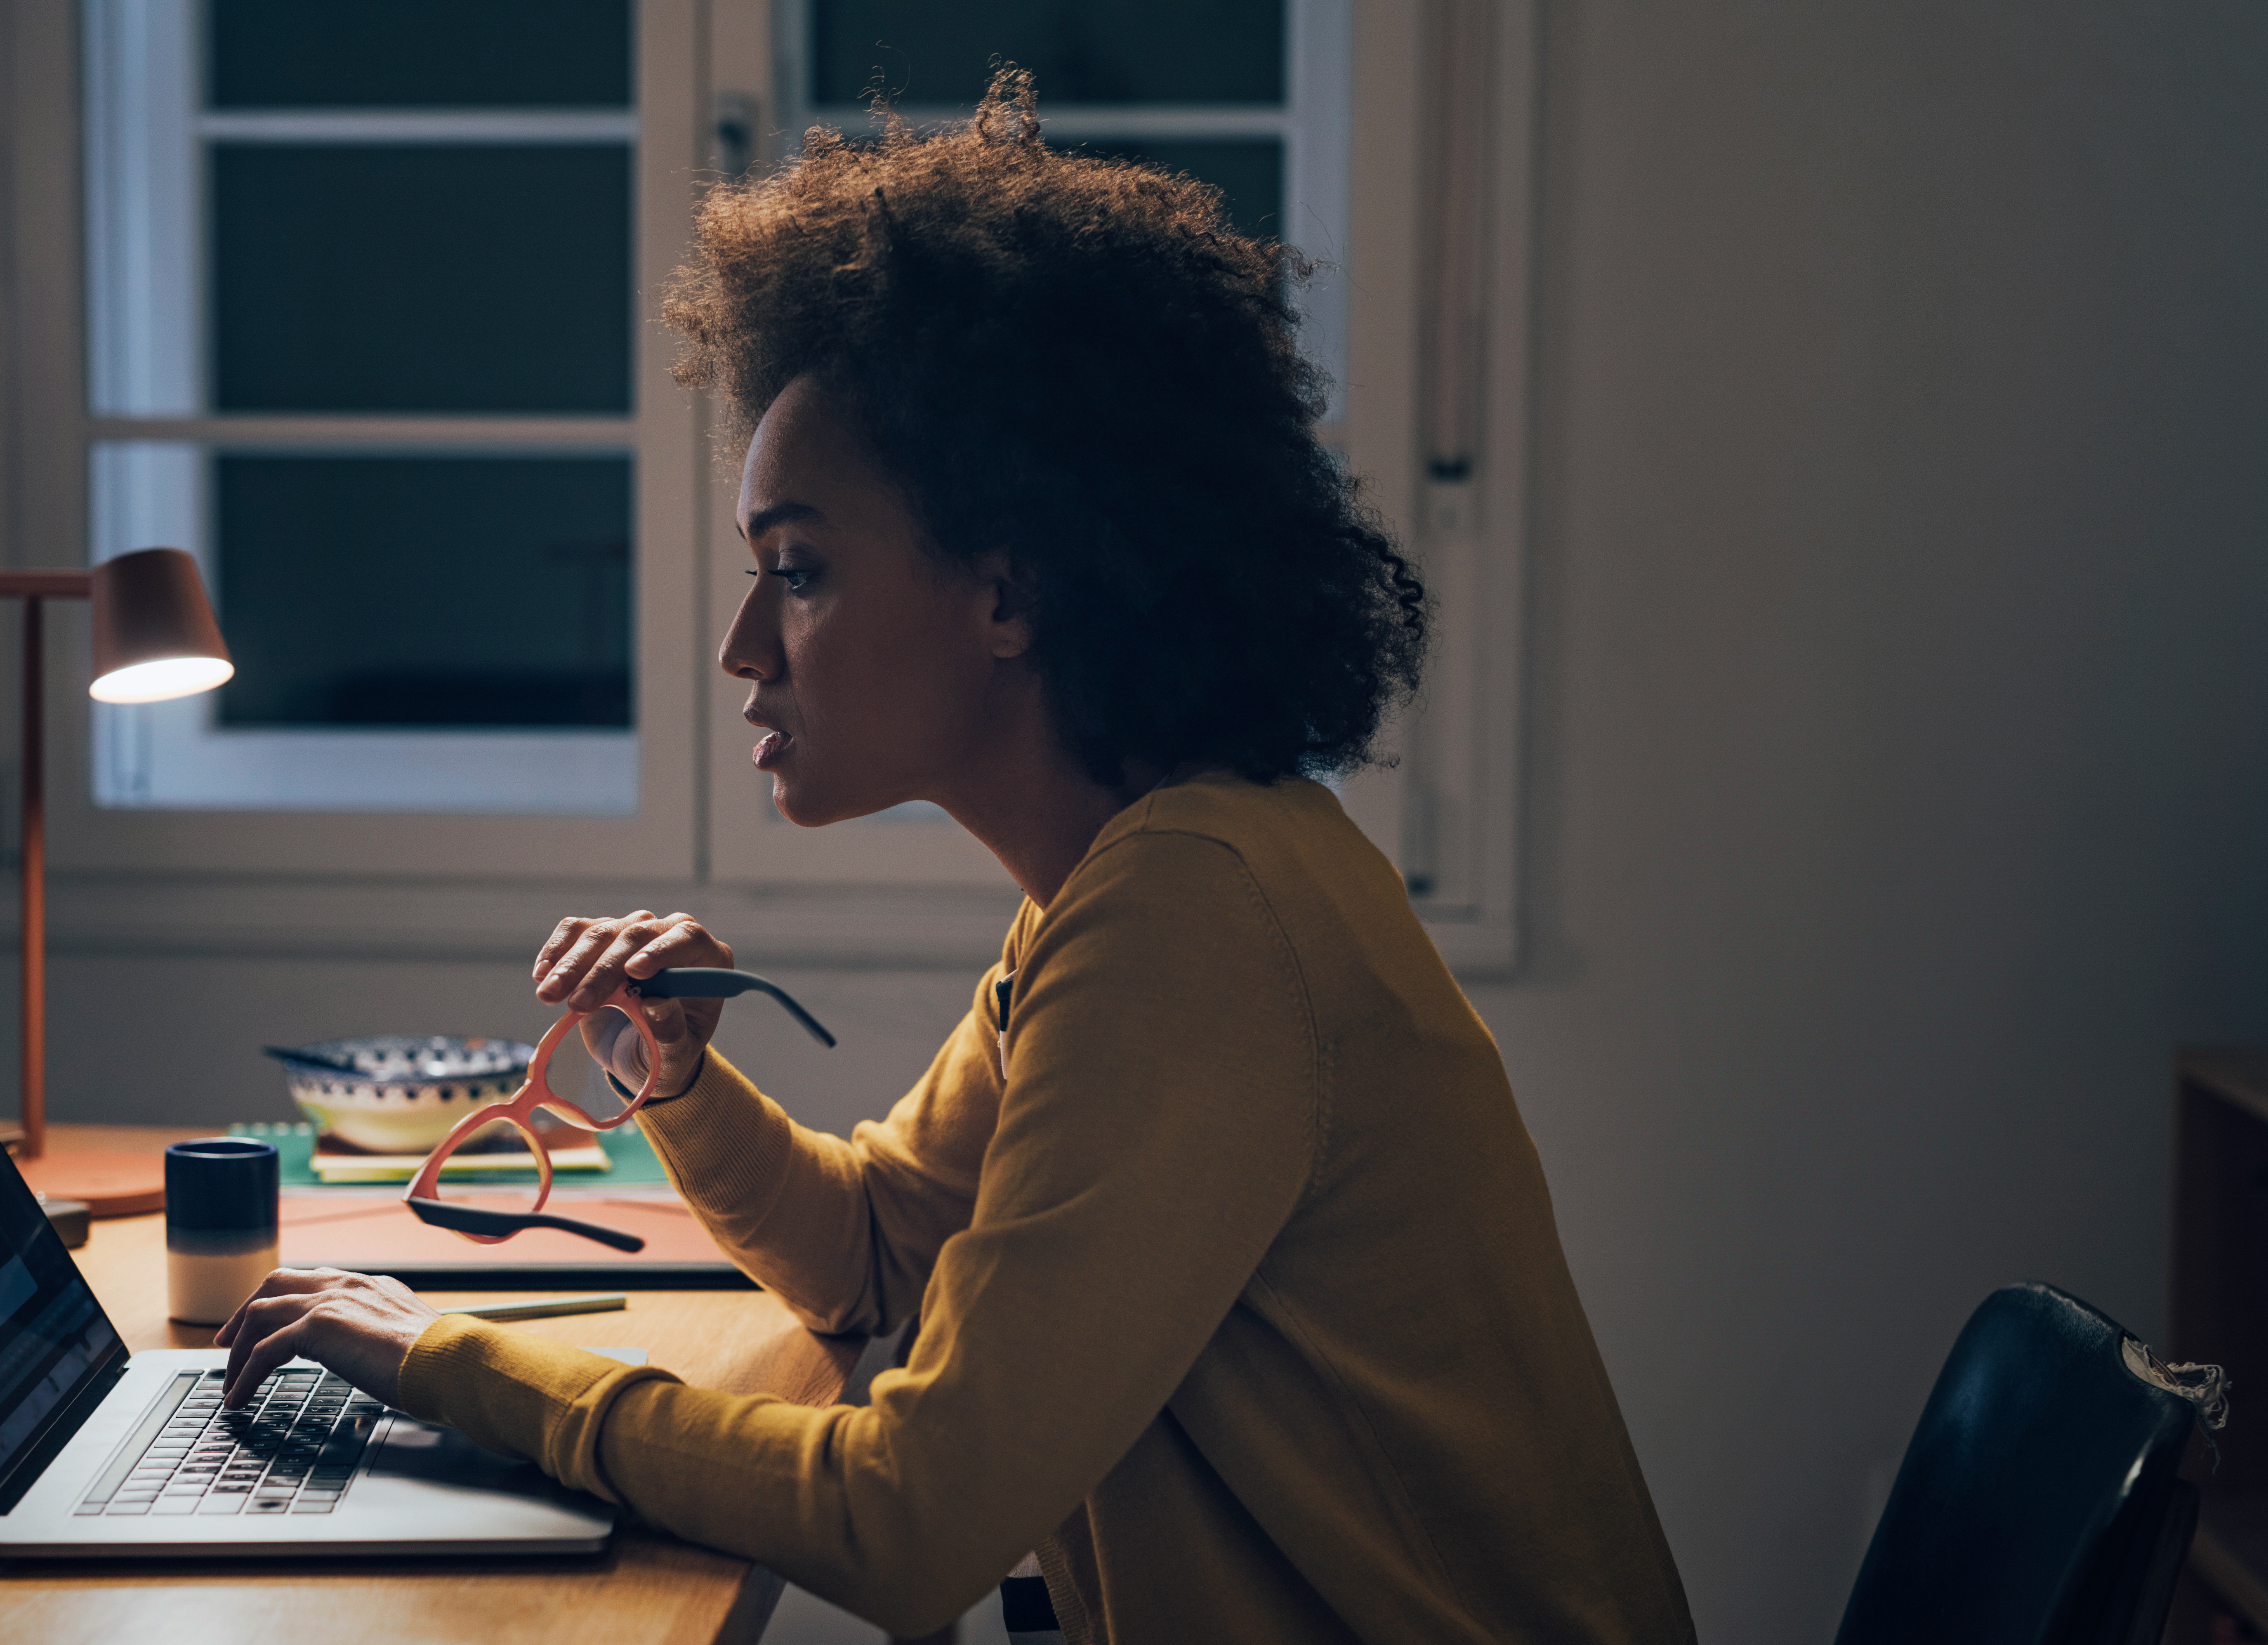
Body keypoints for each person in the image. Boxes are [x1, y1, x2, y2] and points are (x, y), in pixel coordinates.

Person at [216, 71, 1696, 1644]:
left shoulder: (1194, 918)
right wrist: (679, 1077)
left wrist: (453, 1360)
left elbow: (905, 1517)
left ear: (1011, 593)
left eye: (796, 570)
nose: (740, 647)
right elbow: (875, 1260)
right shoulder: (1143, 876)